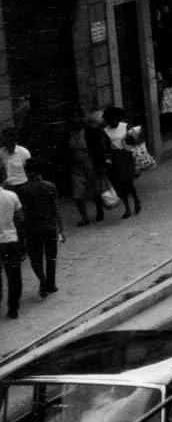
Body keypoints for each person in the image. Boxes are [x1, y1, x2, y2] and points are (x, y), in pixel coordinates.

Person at [18, 159, 64, 300]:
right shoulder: (50, 186)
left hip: (32, 228)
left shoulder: (23, 190)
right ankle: (51, 283)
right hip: (49, 226)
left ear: (27, 172)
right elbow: (56, 209)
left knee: (35, 258)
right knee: (51, 256)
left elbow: (22, 214)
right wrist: (61, 229)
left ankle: (42, 280)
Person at [102, 105, 141, 218]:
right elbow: (106, 148)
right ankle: (127, 207)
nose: (112, 121)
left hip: (126, 156)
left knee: (128, 182)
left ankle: (135, 199)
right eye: (109, 119)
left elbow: (133, 141)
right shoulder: (106, 131)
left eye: (114, 118)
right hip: (115, 159)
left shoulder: (125, 126)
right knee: (120, 185)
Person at [67, 113, 104, 225]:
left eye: (77, 118)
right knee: (77, 192)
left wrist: (100, 166)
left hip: (90, 162)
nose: (75, 120)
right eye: (73, 118)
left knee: (95, 188)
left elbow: (98, 149)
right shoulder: (69, 134)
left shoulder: (90, 131)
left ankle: (99, 210)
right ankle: (84, 216)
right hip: (75, 166)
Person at [0, 181, 23, 319]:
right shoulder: (11, 195)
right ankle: (13, 308)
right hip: (10, 240)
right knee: (14, 276)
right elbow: (19, 219)